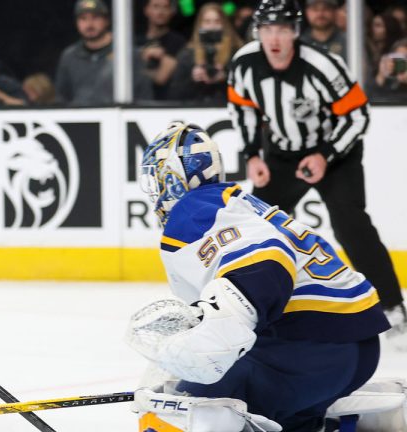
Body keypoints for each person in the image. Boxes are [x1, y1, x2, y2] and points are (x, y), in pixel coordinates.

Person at [128, 122, 389, 431]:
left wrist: (216, 333)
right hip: (350, 345)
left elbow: (267, 261)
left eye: (156, 180)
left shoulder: (193, 209)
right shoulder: (235, 203)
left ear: (171, 178)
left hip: (309, 348)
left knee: (178, 413)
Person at [227, 0, 407, 344]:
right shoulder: (245, 63)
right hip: (281, 155)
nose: (274, 38)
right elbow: (242, 108)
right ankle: (247, 307)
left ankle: (392, 307)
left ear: (295, 31)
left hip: (336, 154)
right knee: (255, 228)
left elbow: (357, 116)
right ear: (258, 32)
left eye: (282, 29)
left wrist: (325, 155)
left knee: (352, 227)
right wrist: (252, 155)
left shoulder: (322, 64)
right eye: (267, 29)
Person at [55, 0, 152, 105]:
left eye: (95, 17)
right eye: (83, 19)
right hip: (78, 118)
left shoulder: (125, 53)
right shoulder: (69, 56)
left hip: (118, 118)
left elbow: (144, 96)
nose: (89, 24)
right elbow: (62, 98)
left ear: (106, 20)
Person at [167, 2, 243, 103]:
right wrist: (192, 79)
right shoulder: (187, 55)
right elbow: (173, 95)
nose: (212, 26)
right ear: (200, 25)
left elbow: (246, 90)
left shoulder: (237, 53)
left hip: (226, 109)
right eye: (207, 22)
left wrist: (225, 78)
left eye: (217, 21)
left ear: (224, 25)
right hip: (196, 109)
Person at [137, 0, 187, 100]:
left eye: (165, 7)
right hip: (137, 101)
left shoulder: (178, 41)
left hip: (165, 103)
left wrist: (137, 65)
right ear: (146, 10)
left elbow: (161, 78)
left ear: (172, 12)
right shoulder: (135, 41)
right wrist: (141, 54)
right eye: (156, 6)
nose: (160, 12)